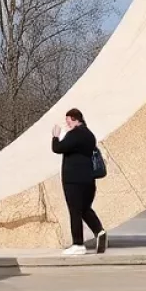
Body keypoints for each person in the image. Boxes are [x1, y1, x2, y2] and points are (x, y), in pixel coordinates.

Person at [52, 108, 107, 255]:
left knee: (75, 211)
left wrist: (55, 136)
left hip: (73, 179)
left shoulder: (75, 134)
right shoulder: (89, 135)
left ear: (75, 119)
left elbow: (57, 148)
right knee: (85, 208)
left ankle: (78, 244)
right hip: (88, 179)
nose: (67, 123)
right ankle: (99, 232)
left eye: (68, 120)